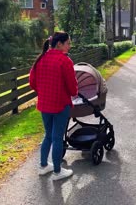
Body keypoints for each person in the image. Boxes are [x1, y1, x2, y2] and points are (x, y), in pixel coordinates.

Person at [29, 31, 78, 181]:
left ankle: (43, 166)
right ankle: (57, 171)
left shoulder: (40, 59)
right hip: (60, 104)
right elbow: (72, 88)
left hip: (44, 104)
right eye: (68, 43)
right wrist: (74, 92)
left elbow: (32, 83)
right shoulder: (65, 61)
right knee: (57, 137)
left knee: (48, 136)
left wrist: (43, 91)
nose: (69, 46)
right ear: (59, 44)